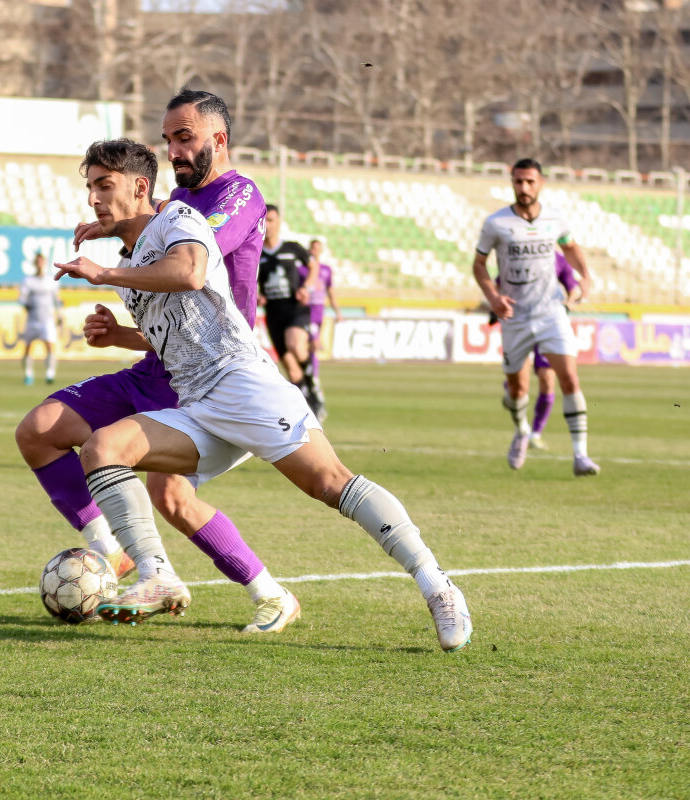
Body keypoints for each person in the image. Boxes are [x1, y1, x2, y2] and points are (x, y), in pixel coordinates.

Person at [54, 138, 471, 651]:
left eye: (104, 186)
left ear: (140, 187)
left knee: (330, 483)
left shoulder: (177, 219)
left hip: (244, 386)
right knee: (103, 449)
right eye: (90, 188)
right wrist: (120, 334)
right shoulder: (133, 257)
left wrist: (103, 273)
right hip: (196, 405)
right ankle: (157, 575)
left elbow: (190, 272)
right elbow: (177, 335)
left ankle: (438, 586)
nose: (93, 198)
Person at [14, 90, 299, 634]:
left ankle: (269, 594)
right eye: (167, 139)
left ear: (218, 139)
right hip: (157, 368)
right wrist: (121, 331)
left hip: (209, 372)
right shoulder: (163, 216)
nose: (173, 150)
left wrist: (117, 250)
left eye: (182, 137)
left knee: (170, 495)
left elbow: (191, 271)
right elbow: (166, 325)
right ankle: (114, 554)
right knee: (39, 429)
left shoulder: (231, 197)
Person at [472, 158, 599, 477]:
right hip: (514, 316)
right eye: (518, 181)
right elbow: (479, 264)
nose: (524, 187)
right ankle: (522, 430)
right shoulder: (496, 223)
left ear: (541, 183)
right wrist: (494, 297)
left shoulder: (555, 218)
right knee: (517, 390)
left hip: (551, 312)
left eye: (530, 181)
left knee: (569, 378)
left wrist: (585, 275)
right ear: (512, 183)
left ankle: (581, 455)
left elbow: (570, 247)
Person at [487, 251, 582, 451]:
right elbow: (501, 284)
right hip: (520, 323)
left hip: (547, 323)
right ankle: (511, 392)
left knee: (548, 379)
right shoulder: (521, 253)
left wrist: (570, 302)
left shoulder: (558, 259)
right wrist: (497, 304)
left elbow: (573, 287)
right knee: (519, 384)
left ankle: (535, 434)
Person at [258, 205, 321, 417]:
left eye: (271, 220)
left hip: (295, 308)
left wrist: (307, 288)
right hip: (273, 312)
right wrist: (257, 295)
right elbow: (250, 279)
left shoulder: (292, 248)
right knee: (292, 370)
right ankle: (309, 406)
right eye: (264, 220)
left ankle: (313, 385)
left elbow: (313, 266)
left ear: (279, 223)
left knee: (296, 345)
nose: (267, 225)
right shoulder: (257, 251)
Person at [297, 239, 342, 421]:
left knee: (311, 349)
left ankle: (308, 382)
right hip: (305, 312)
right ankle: (312, 381)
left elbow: (331, 291)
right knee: (312, 344)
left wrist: (337, 311)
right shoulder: (302, 268)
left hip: (319, 312)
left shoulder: (326, 270)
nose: (315, 250)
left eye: (318, 248)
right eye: (313, 247)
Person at [17, 252, 62, 386]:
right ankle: (28, 374)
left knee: (50, 346)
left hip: (47, 319)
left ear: (45, 263)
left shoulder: (51, 281)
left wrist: (59, 315)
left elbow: (57, 300)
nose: (40, 264)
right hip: (32, 319)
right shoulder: (28, 281)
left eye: (42, 261)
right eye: (38, 261)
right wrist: (27, 305)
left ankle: (50, 374)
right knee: (28, 347)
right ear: (34, 263)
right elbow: (22, 298)